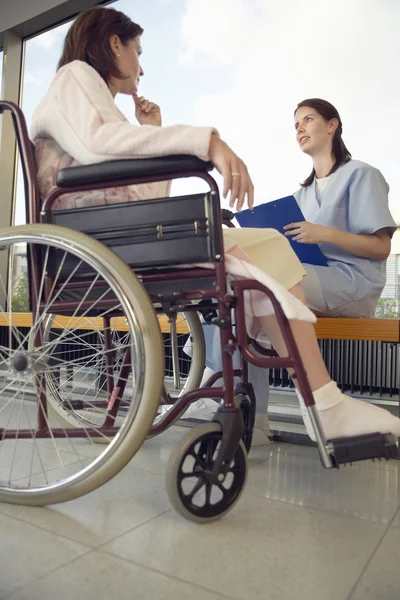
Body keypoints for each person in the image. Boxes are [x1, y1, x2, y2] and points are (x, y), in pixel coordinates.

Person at [30, 5, 400, 443]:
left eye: (308, 120)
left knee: (262, 256)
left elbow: (134, 182)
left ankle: (291, 403)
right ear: (114, 44)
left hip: (113, 238)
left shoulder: (360, 175)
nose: (141, 68)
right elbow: (101, 144)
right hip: (104, 243)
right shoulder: (76, 77)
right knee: (264, 254)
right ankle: (319, 403)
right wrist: (206, 140)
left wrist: (155, 132)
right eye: (138, 52)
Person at [284, 98, 397, 318]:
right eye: (296, 125)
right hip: (309, 278)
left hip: (353, 283)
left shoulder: (361, 175)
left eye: (308, 119)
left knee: (263, 282)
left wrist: (324, 234)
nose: (300, 129)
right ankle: (207, 352)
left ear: (331, 125)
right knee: (228, 283)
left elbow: (382, 248)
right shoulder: (299, 196)